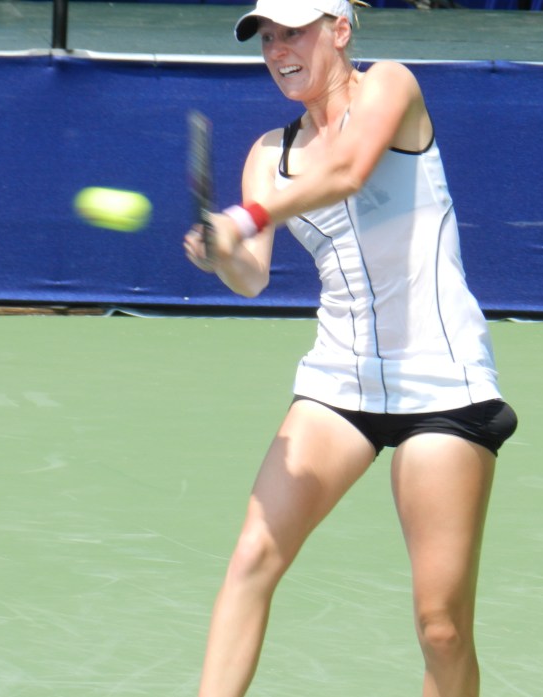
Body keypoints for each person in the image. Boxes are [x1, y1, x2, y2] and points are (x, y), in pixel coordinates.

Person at [182, 1, 517, 695]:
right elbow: (253, 275)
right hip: (340, 382)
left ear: (339, 30)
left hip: (443, 380)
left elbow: (347, 171)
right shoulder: (266, 157)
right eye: (267, 39)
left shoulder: (392, 86)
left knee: (441, 627)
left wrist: (243, 216)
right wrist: (222, 254)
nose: (278, 51)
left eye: (293, 33)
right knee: (253, 555)